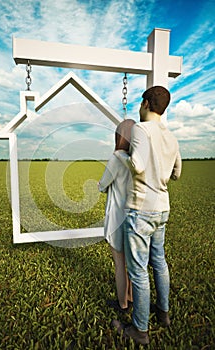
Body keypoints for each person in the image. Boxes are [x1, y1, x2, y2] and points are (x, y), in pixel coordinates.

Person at [112, 86, 182, 346]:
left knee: (139, 271)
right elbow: (177, 172)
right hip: (163, 207)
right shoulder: (171, 136)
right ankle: (163, 313)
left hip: (141, 209)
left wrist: (122, 154)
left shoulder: (141, 129)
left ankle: (140, 330)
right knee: (159, 261)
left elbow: (138, 165)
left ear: (145, 103)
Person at [98, 118, 135, 314]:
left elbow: (103, 185)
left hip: (116, 217)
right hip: (133, 216)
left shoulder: (116, 158)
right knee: (130, 264)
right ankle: (130, 297)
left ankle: (122, 305)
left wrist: (100, 185)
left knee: (119, 265)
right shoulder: (135, 160)